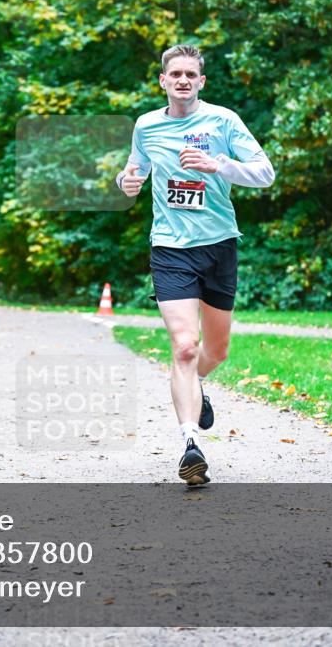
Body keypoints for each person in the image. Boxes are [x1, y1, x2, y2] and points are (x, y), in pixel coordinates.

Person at [115, 44, 275, 485]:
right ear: (162, 81)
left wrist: (217, 164)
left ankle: (196, 385)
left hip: (219, 245)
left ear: (201, 82)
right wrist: (125, 182)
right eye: (175, 74)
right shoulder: (146, 126)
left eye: (191, 74)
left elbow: (265, 173)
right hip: (170, 248)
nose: (183, 80)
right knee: (185, 346)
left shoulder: (223, 121)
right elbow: (132, 175)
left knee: (216, 349)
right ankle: (190, 444)